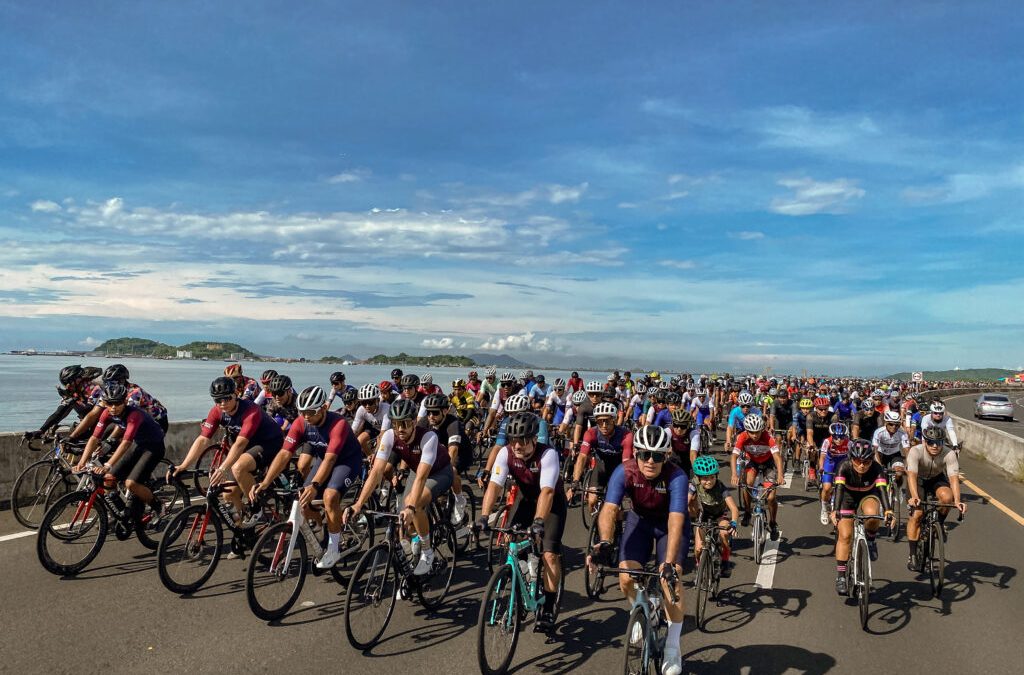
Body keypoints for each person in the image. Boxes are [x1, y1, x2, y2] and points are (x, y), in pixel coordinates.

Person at [591, 426, 687, 675]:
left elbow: (676, 520)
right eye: (645, 455)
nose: (651, 462)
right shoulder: (625, 471)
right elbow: (610, 509)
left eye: (657, 456)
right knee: (625, 577)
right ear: (636, 453)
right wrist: (603, 542)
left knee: (671, 583)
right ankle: (640, 609)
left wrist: (667, 564)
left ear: (666, 455)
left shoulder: (676, 476)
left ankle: (673, 648)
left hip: (668, 525)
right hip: (640, 521)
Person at [252, 385, 363, 569]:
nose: (306, 417)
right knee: (303, 501)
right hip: (323, 458)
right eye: (302, 412)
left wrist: (315, 485)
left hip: (347, 461)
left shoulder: (339, 424)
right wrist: (265, 482)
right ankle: (324, 531)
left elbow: (331, 459)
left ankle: (334, 549)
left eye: (310, 412)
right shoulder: (301, 422)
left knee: (329, 496)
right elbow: (284, 454)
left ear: (324, 408)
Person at [477, 412, 566, 633]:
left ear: (535, 439)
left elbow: (547, 491)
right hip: (525, 500)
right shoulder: (505, 454)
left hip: (552, 503)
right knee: (513, 543)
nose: (517, 445)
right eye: (513, 439)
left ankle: (548, 606)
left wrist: (538, 522)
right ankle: (523, 582)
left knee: (549, 554)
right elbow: (495, 486)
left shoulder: (548, 455)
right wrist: (484, 516)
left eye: (523, 440)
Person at [346, 398, 454, 575]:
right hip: (416, 471)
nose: (400, 429)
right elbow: (376, 471)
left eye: (404, 424)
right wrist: (358, 504)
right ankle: (414, 547)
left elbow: (422, 477)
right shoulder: (390, 435)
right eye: (396, 424)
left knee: (415, 504)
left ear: (413, 422)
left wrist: (411, 506)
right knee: (403, 523)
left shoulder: (428, 437)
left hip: (440, 472)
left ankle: (428, 553)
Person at [173, 376, 284, 526]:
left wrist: (223, 469)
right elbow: (203, 439)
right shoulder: (217, 412)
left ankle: (256, 508)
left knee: (238, 468)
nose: (223, 403)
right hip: (248, 446)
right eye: (218, 400)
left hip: (269, 442)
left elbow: (239, 444)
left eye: (227, 398)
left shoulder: (251, 411)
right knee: (228, 494)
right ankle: (245, 529)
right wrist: (184, 465)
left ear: (236, 394)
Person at [75, 383, 168, 520]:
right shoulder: (106, 413)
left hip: (154, 446)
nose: (113, 407)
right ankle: (124, 513)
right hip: (138, 444)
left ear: (125, 401)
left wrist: (108, 465)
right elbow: (94, 438)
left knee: (131, 483)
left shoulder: (134, 415)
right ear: (104, 403)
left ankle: (158, 506)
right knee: (108, 480)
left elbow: (125, 443)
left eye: (117, 403)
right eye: (109, 403)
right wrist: (82, 462)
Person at [830, 439, 892, 594]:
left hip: (868, 494)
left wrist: (888, 511)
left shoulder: (877, 469)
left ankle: (870, 539)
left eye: (866, 461)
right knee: (845, 536)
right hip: (847, 497)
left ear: (872, 460)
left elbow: (883, 491)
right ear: (851, 459)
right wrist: (835, 510)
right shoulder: (843, 466)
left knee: (872, 515)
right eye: (858, 461)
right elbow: (838, 489)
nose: (862, 465)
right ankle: (841, 576)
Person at [905, 426, 965, 571]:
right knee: (917, 514)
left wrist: (957, 501)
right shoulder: (915, 451)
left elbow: (954, 479)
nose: (935, 446)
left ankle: (938, 525)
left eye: (938, 442)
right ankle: (912, 554)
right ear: (925, 441)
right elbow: (911, 476)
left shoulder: (949, 454)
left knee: (947, 498)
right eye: (931, 442)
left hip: (936, 478)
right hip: (918, 480)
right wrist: (914, 497)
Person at [571, 402, 634, 514]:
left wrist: (627, 484)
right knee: (591, 501)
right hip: (600, 467)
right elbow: (582, 457)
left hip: (618, 469)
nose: (604, 425)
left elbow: (626, 463)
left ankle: (618, 526)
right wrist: (575, 480)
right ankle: (595, 526)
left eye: (608, 421)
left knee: (616, 508)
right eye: (600, 421)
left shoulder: (626, 435)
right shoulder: (591, 433)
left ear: (614, 420)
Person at [420, 393, 470, 525]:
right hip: (438, 453)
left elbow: (453, 451)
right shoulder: (425, 422)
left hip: (461, 453)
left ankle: (460, 500)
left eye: (435, 412)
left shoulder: (453, 424)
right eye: (428, 412)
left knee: (452, 470)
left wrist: (444, 471)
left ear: (445, 411)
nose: (431, 416)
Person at [731, 413, 783, 538]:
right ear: (747, 431)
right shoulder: (742, 437)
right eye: (751, 432)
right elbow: (733, 456)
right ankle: (748, 511)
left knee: (771, 497)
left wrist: (780, 475)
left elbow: (777, 457)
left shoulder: (768, 437)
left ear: (762, 430)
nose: (755, 435)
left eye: (757, 432)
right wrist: (734, 474)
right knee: (746, 484)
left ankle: (773, 522)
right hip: (753, 462)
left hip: (768, 463)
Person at [689, 455, 739, 577]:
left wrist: (733, 523)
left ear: (716, 476)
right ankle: (699, 563)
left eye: (712, 477)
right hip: (703, 515)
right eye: (705, 478)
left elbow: (733, 508)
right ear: (698, 478)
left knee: (724, 533)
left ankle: (725, 561)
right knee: (698, 549)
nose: (709, 481)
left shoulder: (721, 487)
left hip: (720, 515)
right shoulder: (694, 484)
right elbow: (686, 501)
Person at [818, 422, 850, 526]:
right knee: (827, 487)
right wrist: (821, 467)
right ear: (832, 435)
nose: (839, 440)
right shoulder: (827, 441)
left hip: (842, 463)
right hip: (830, 463)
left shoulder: (849, 443)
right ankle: (824, 508)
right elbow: (822, 456)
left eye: (841, 437)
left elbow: (854, 458)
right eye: (836, 437)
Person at [872, 410, 910, 490]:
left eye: (897, 425)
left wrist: (908, 464)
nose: (894, 427)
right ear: (886, 423)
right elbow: (874, 450)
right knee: (880, 474)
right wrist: (879, 464)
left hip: (895, 454)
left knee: (899, 473)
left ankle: (897, 490)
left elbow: (907, 450)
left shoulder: (902, 433)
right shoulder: (879, 432)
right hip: (881, 454)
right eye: (891, 424)